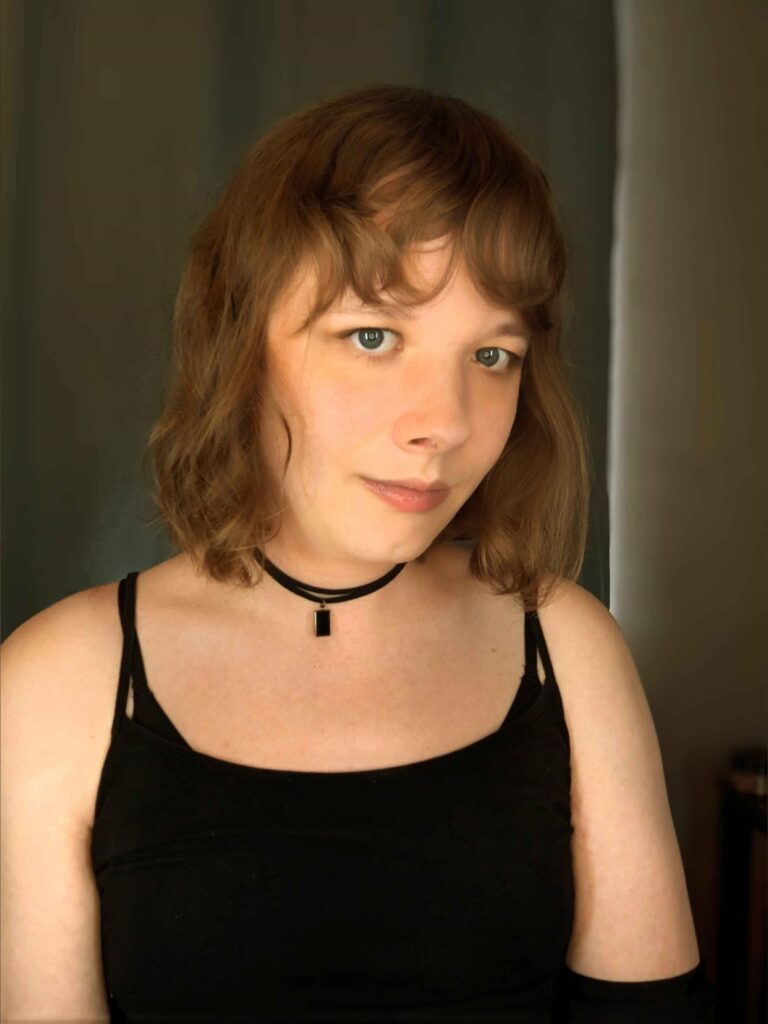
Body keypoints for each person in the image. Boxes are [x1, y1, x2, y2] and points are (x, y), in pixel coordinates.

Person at [1, 84, 714, 1022]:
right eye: (373, 337)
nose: (445, 423)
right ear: (239, 346)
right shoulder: (56, 685)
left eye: (492, 356)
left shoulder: (568, 648)